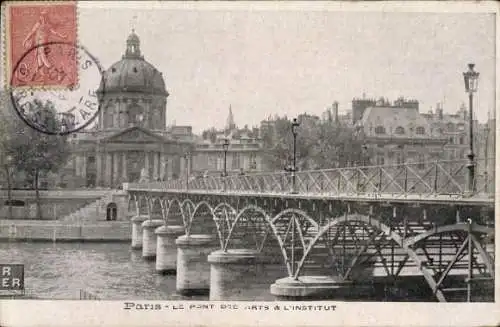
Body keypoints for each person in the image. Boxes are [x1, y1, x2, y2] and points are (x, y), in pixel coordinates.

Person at [22, 9, 67, 78]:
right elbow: (32, 32)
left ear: (46, 17)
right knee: (39, 57)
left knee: (42, 55)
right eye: (42, 15)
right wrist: (25, 40)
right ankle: (42, 75)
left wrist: (62, 36)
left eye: (44, 16)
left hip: (42, 42)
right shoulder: (39, 23)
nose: (42, 17)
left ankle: (57, 71)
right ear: (40, 16)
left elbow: (54, 33)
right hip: (38, 42)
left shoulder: (47, 25)